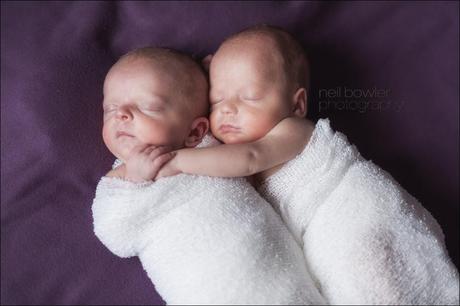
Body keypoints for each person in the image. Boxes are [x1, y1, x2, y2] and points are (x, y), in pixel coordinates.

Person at [156, 25, 460, 305]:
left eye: (248, 97)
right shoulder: (236, 157)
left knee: (386, 281)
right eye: (217, 100)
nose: (229, 110)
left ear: (296, 105)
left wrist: (178, 160)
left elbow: (250, 158)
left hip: (358, 215)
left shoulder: (292, 131)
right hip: (324, 244)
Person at [91, 46, 326, 305]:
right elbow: (114, 234)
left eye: (148, 107)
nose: (121, 115)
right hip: (209, 292)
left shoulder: (213, 144)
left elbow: (243, 116)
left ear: (195, 132)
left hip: (281, 277)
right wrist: (136, 180)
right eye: (110, 109)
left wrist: (214, 74)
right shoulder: (121, 182)